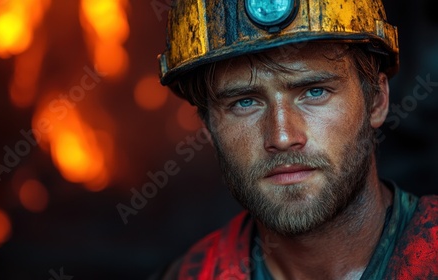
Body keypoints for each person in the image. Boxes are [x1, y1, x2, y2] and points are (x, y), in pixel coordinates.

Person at [155, 0, 437, 279]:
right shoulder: (190, 274)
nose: (282, 137)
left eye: (315, 92)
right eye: (245, 102)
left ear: (376, 101)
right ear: (208, 127)